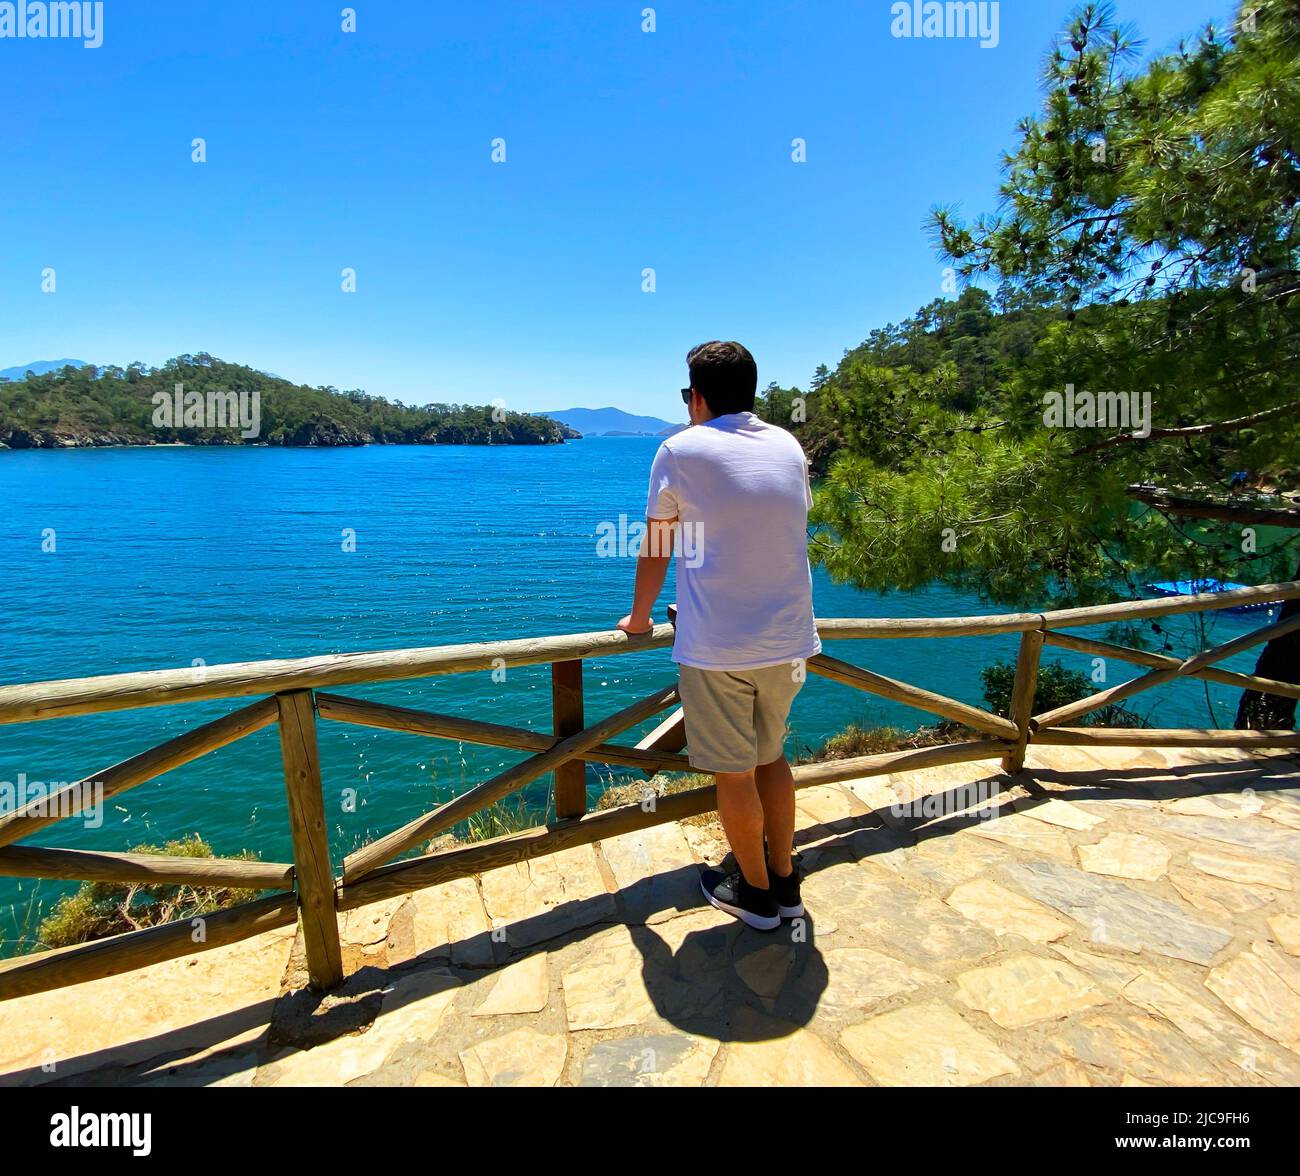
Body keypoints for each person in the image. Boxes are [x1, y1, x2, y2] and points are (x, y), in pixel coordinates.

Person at [616, 340, 821, 930]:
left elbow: (658, 544)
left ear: (697, 396)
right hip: (789, 640)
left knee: (735, 774)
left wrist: (638, 618)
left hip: (719, 649)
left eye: (687, 394)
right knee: (773, 758)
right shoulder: (788, 444)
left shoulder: (679, 450)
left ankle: (754, 898)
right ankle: (784, 883)